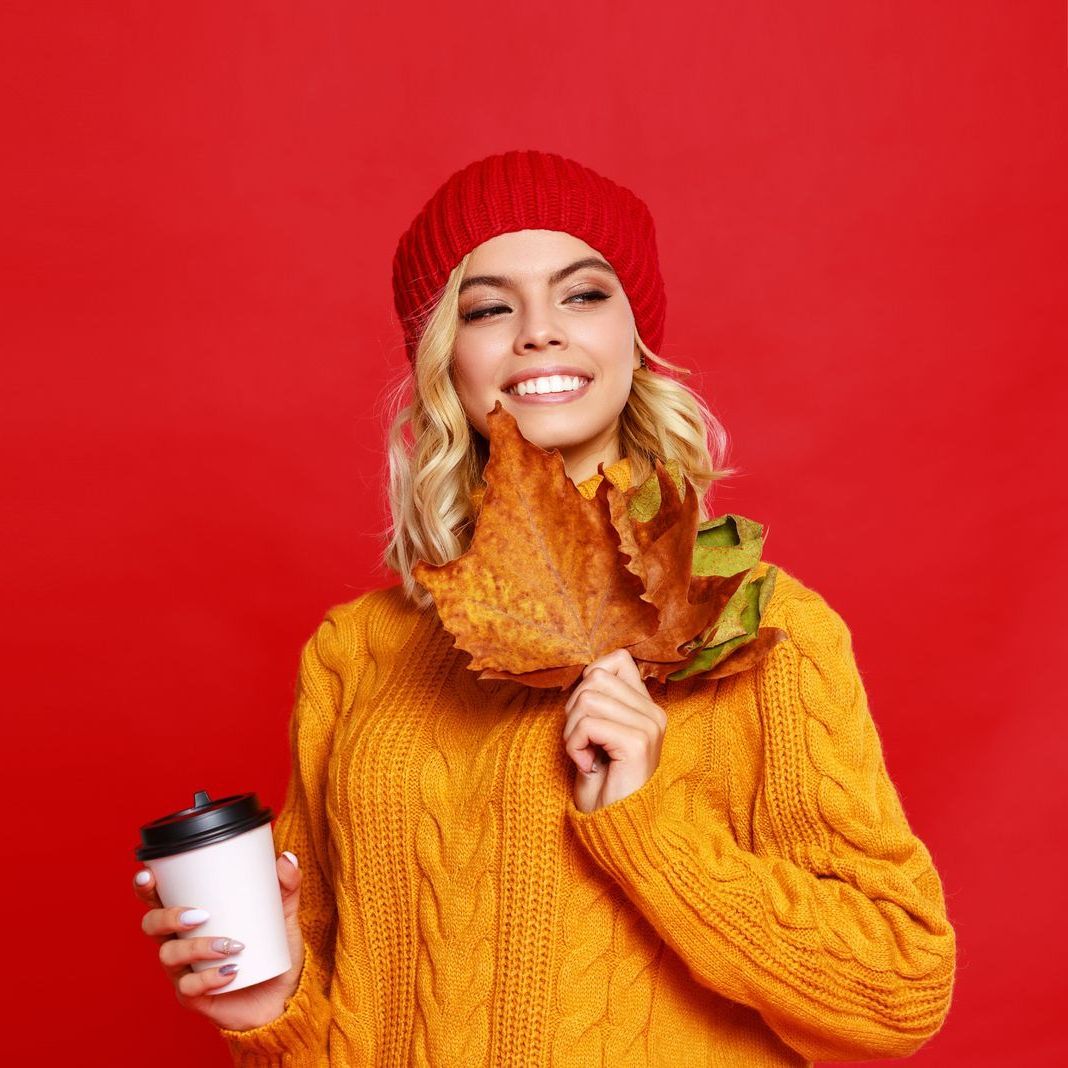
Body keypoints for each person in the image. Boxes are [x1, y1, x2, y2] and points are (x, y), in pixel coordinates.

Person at [133, 149, 957, 1066]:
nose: (539, 333)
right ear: (446, 360)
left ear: (634, 341)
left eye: (583, 295)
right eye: (489, 308)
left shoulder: (763, 630)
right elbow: (334, 1032)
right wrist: (267, 1006)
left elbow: (900, 990)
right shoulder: (356, 652)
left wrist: (650, 828)